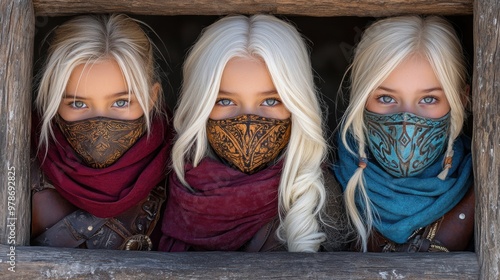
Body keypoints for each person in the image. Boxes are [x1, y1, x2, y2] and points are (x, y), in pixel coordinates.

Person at [159, 14, 348, 252]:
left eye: (270, 101)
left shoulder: (317, 197)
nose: (247, 122)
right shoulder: (167, 188)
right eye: (225, 101)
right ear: (201, 107)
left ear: (295, 107)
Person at [31, 14, 173, 250]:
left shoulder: (184, 165)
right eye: (78, 104)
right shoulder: (20, 162)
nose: (100, 126)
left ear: (151, 99)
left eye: (120, 103)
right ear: (52, 104)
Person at [332, 15, 474, 252]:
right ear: (360, 100)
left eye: (429, 99)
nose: (406, 120)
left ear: (460, 101)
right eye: (386, 98)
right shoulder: (321, 185)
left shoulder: (482, 190)